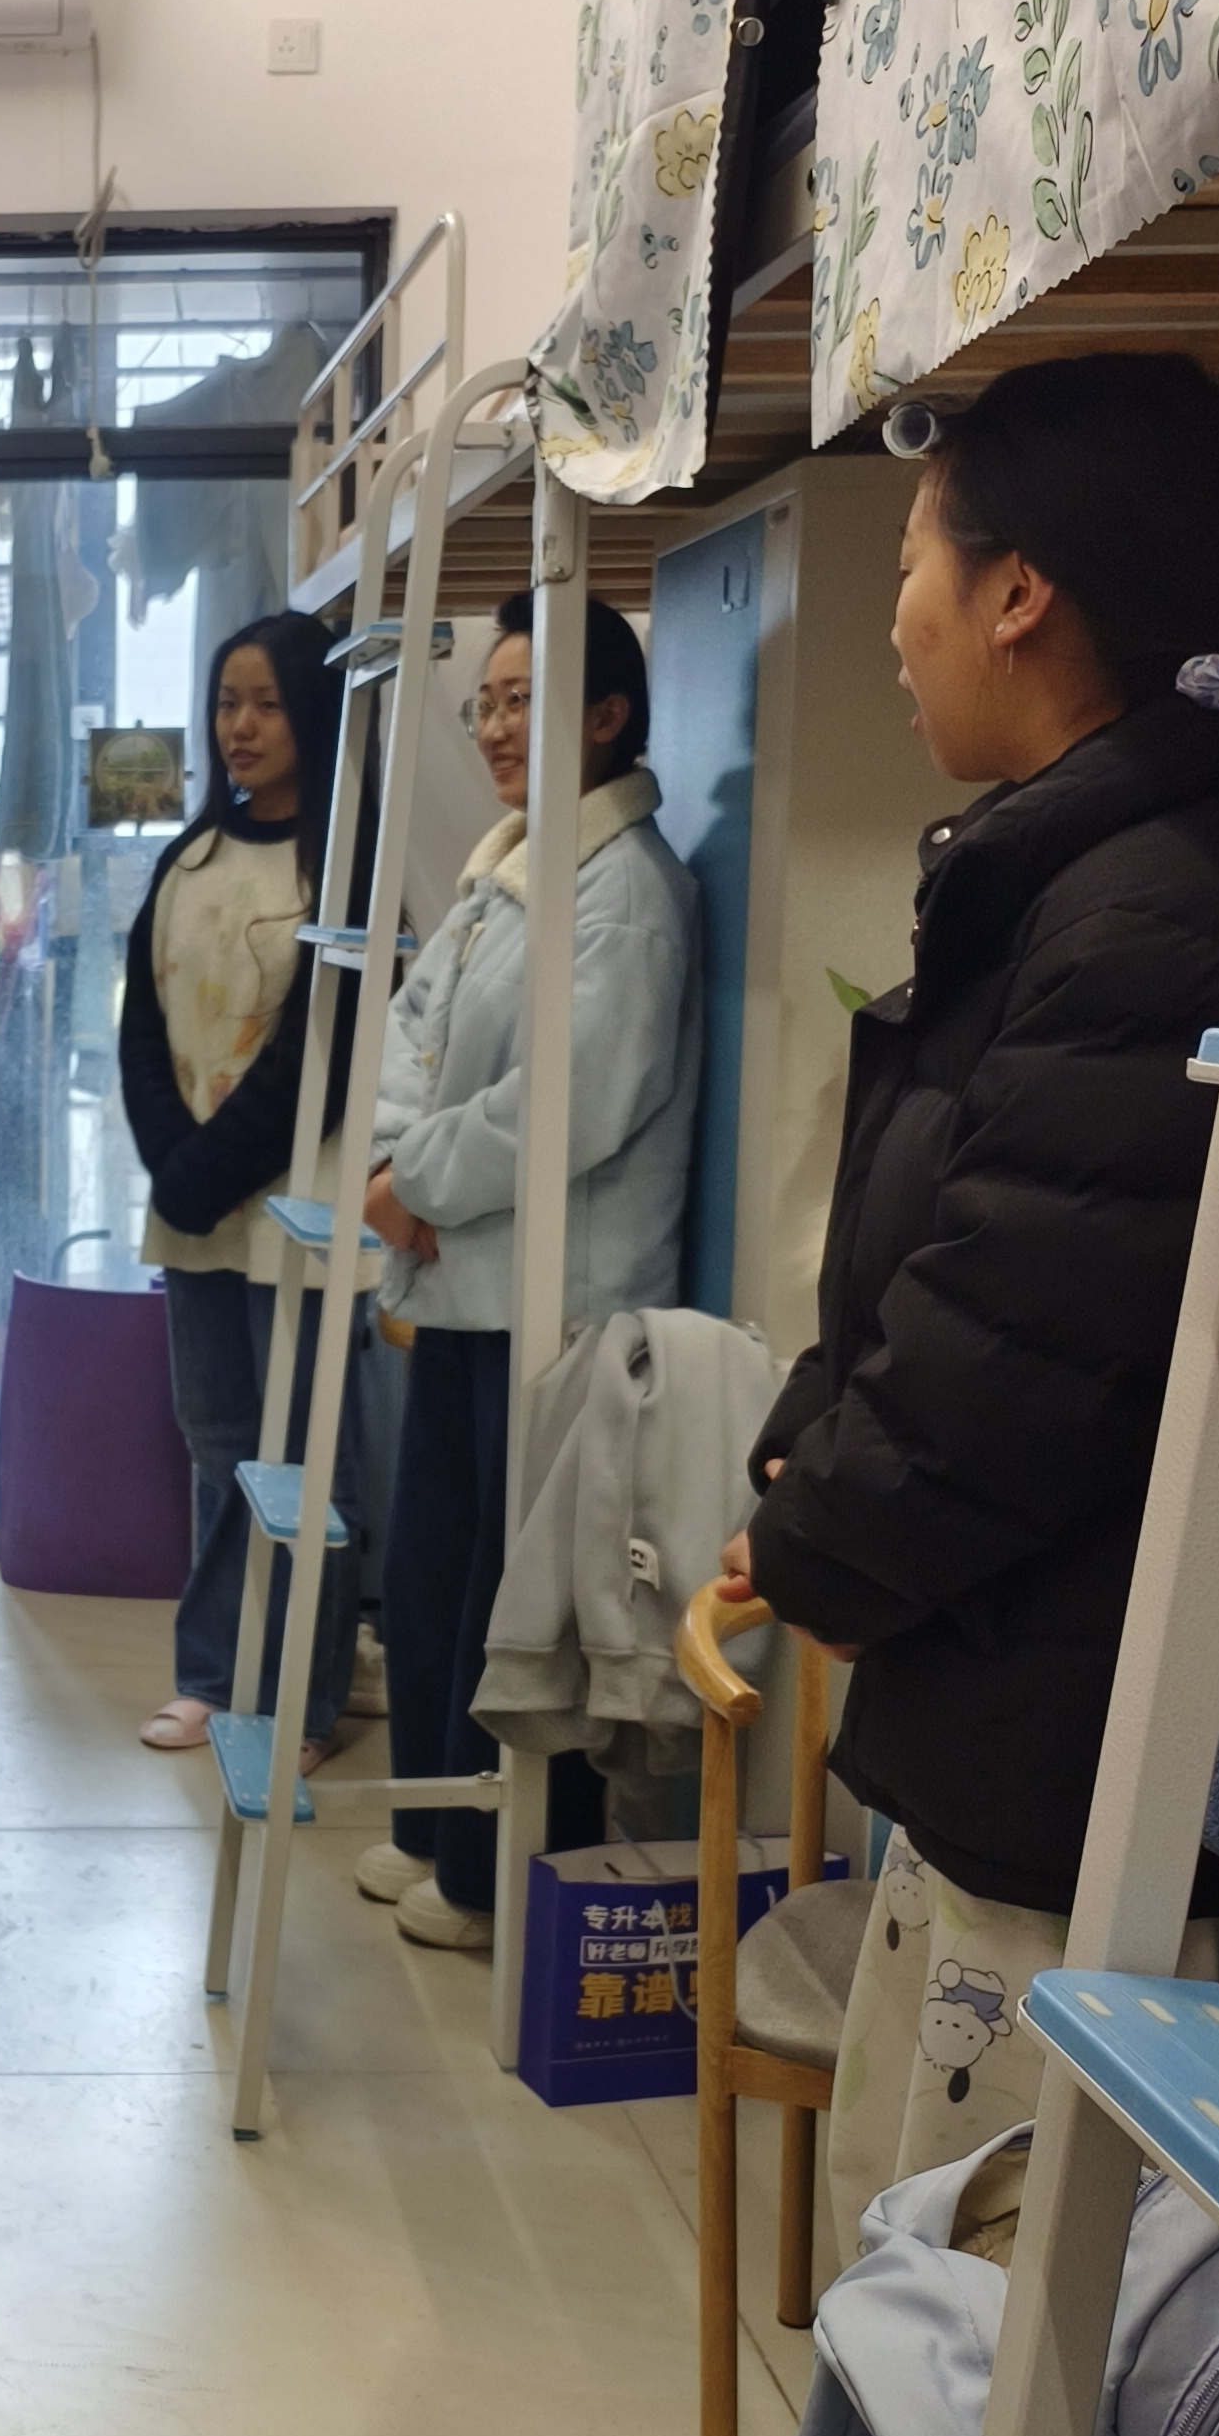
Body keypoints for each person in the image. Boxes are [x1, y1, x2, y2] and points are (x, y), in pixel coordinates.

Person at [724, 354, 1219, 2266]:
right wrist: (806, 1438)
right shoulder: (1074, 879)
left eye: (911, 563)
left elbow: (1009, 1369)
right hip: (1004, 1722)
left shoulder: (1147, 918)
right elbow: (940, 1266)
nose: (897, 618)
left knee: (975, 2329)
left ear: (1021, 591)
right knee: (920, 2286)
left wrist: (808, 1536)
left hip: (1072, 1779)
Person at [363, 591, 702, 1952]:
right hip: (461, 1282)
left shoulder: (629, 895)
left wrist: (413, 1183)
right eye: (488, 703)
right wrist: (392, 1169)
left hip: (552, 1305)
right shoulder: (508, 868)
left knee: (520, 1608)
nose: (499, 727)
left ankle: (490, 1882)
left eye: (526, 700)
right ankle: (432, 1828)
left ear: (607, 715)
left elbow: (566, 1105)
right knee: (434, 1574)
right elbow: (411, 1039)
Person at [121, 610, 398, 1770]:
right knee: (217, 1447)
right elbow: (141, 1028)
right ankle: (211, 1676)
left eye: (267, 703)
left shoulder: (347, 864)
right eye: (227, 702)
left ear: (312, 714)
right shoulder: (185, 859)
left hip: (297, 1205)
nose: (241, 725)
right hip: (193, 1211)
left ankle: (302, 1701)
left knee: (303, 1463)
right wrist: (173, 1166)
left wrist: (206, 1168)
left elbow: (318, 1058)